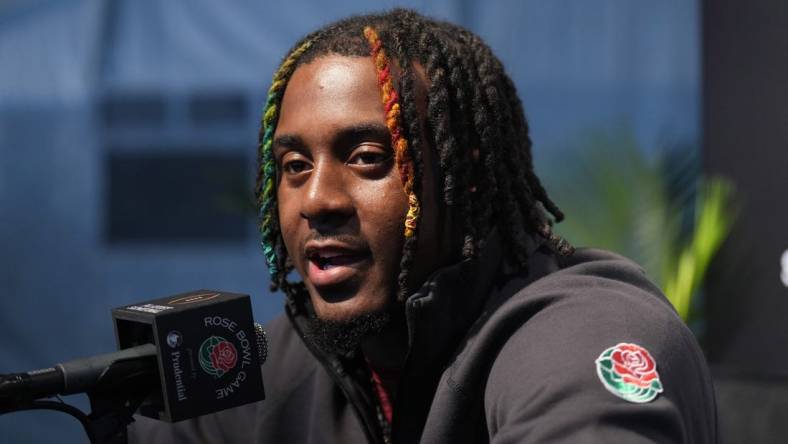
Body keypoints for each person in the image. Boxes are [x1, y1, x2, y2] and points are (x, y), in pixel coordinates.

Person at [130, 9, 717, 443]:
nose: (316, 200)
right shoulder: (284, 355)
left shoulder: (580, 331)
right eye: (294, 166)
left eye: (366, 158)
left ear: (466, 176)